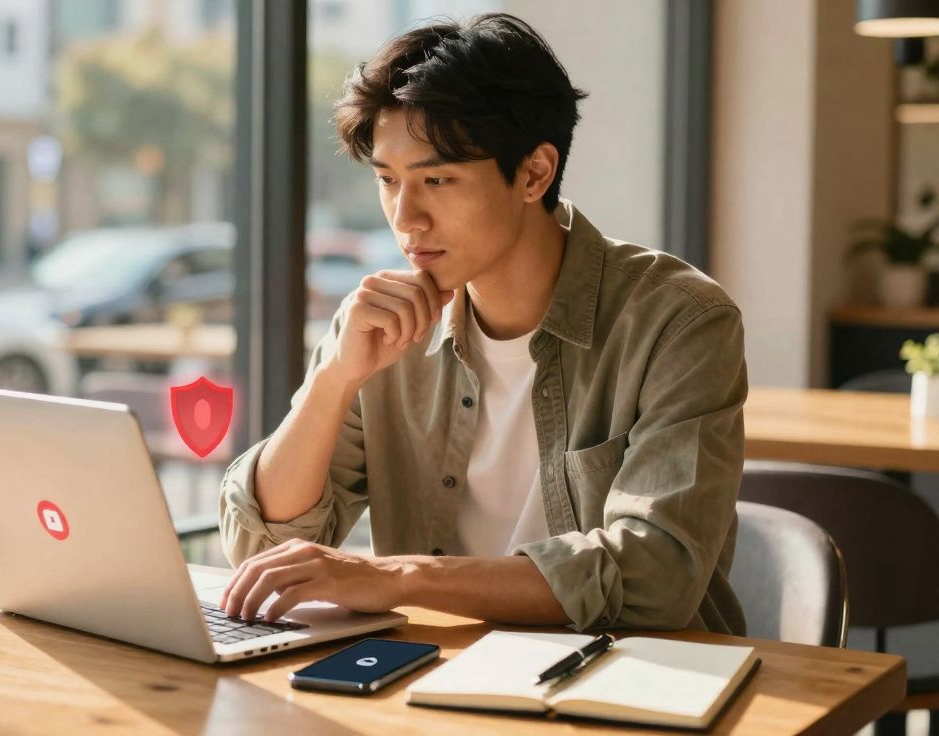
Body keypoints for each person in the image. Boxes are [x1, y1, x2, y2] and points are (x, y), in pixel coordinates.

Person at [217, 13, 747, 635]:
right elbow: (260, 548)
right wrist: (334, 381)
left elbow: (656, 575)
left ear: (534, 173)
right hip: (429, 677)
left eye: (437, 180)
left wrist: (397, 578)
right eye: (389, 181)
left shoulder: (679, 322)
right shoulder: (380, 325)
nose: (406, 218)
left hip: (625, 683)